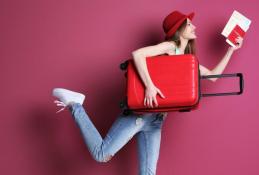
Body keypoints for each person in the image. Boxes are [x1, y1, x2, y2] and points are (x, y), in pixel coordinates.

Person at [52, 10, 243, 175]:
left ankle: (75, 105)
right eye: (189, 23)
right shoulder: (170, 47)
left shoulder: (188, 61)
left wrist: (230, 50)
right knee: (102, 154)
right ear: (179, 30)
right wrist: (150, 86)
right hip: (140, 115)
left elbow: (212, 77)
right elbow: (137, 54)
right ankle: (76, 105)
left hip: (156, 122)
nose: (194, 26)